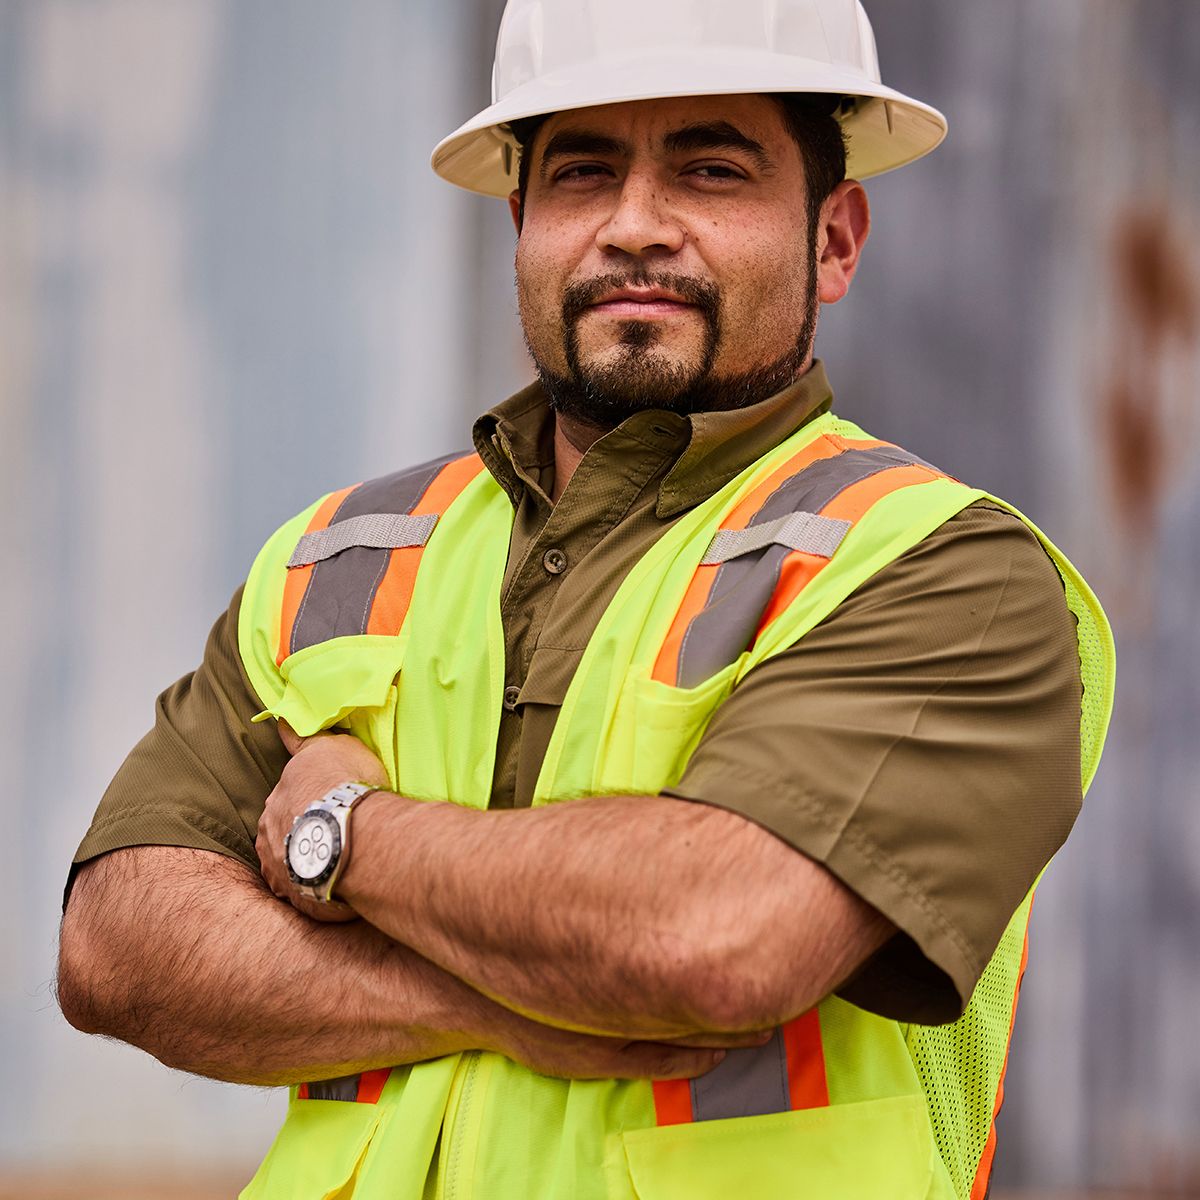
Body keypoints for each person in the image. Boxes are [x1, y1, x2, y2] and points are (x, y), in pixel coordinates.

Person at [57, 1, 1115, 1197]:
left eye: (710, 170)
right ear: (520, 223)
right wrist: (510, 1004)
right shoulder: (339, 555)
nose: (634, 227)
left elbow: (712, 939)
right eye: (582, 173)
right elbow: (115, 947)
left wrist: (345, 834)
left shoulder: (938, 571)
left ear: (834, 238)